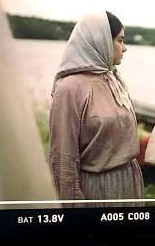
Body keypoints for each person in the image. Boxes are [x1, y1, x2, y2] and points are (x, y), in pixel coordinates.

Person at [49, 11, 143, 202]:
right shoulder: (70, 89)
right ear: (101, 41)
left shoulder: (113, 79)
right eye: (120, 40)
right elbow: (63, 156)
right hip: (97, 189)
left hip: (128, 180)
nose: (124, 48)